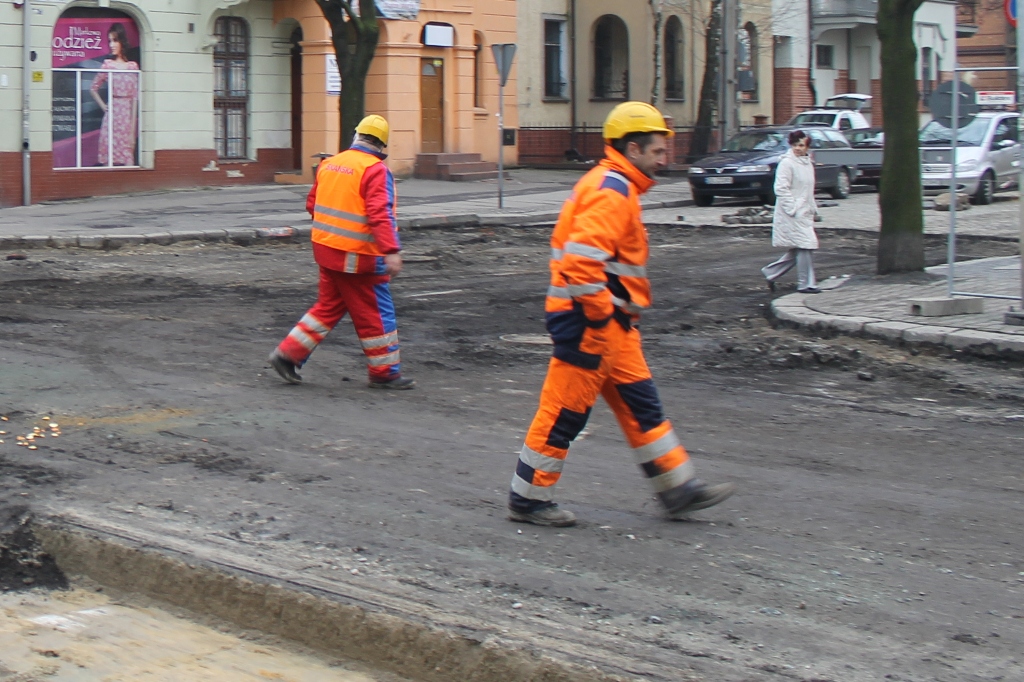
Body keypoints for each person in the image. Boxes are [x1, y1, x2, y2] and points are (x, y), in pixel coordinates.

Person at [506, 102, 736, 527]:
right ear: (633, 149)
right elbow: (579, 264)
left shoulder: (614, 185)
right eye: (658, 150)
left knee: (642, 406)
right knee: (565, 412)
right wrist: (597, 317)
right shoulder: (614, 192)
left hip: (613, 325)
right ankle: (529, 498)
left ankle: (677, 486)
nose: (665, 158)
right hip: (591, 323)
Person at [268, 115, 414, 390]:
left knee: (328, 307)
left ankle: (288, 354)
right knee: (376, 314)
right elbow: (379, 214)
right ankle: (385, 372)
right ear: (381, 144)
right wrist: (391, 250)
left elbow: (312, 204)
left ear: (356, 135)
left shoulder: (329, 164)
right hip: (357, 256)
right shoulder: (374, 170)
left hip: (326, 250)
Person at [761, 130, 821, 294]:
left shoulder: (807, 163)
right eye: (795, 145)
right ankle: (805, 284)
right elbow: (780, 188)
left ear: (807, 146)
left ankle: (771, 273)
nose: (797, 148)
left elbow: (808, 188)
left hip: (804, 212)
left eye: (801, 145)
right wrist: (792, 208)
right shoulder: (787, 163)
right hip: (792, 213)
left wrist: (813, 208)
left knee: (800, 248)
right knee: (805, 245)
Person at [90, 23, 139, 167]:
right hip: (112, 116)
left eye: (115, 40)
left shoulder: (132, 67)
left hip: (126, 118)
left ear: (122, 41)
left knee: (127, 157)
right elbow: (93, 88)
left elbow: (135, 98)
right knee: (108, 158)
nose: (112, 45)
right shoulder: (107, 65)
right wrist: (104, 107)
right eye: (110, 41)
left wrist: (132, 131)